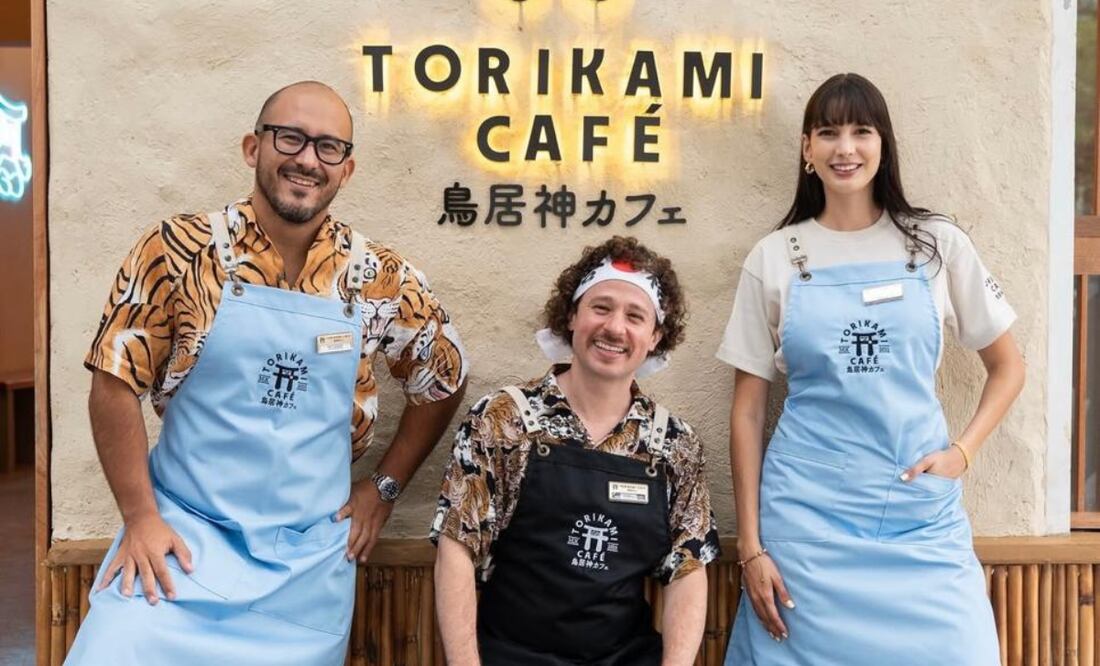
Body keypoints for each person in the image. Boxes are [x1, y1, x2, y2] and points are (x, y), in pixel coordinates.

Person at [65, 80, 468, 665]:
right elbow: (113, 382)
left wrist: (384, 488)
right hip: (179, 544)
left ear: (346, 170)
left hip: (303, 570)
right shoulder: (179, 249)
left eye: (328, 147)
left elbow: (443, 379)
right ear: (253, 147)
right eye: (291, 138)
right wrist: (140, 517)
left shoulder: (381, 276)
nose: (307, 159)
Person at [719, 73, 1025, 665]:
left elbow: (1008, 367)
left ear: (883, 145)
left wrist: (961, 453)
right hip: (806, 522)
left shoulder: (937, 245)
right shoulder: (776, 257)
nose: (845, 148)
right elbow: (748, 409)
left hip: (919, 515)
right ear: (807, 149)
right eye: (828, 132)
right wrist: (752, 545)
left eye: (862, 131)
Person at [432, 236, 720, 666]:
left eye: (635, 316)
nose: (614, 328)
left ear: (656, 336)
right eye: (600, 308)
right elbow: (458, 544)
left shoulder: (673, 443)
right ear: (571, 315)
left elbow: (687, 567)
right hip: (510, 655)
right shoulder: (504, 417)